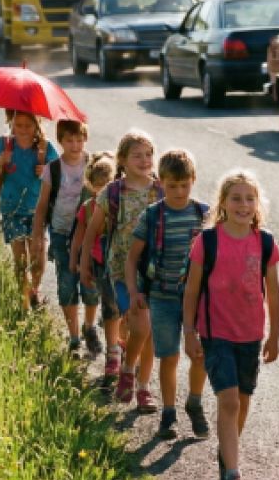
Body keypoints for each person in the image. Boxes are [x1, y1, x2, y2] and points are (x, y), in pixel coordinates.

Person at [183, 170, 279, 480]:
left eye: (249, 198)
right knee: (229, 400)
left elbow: (275, 293)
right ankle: (232, 477)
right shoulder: (207, 242)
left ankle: (227, 454)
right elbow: (192, 289)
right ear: (222, 203)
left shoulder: (264, 242)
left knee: (244, 399)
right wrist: (189, 332)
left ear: (257, 204)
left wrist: (276, 336)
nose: (243, 204)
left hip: (251, 335)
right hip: (216, 333)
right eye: (236, 198)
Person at [124, 149, 211, 441]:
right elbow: (132, 257)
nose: (178, 191)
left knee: (200, 354)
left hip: (197, 299)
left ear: (193, 181)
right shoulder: (152, 215)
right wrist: (135, 291)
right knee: (169, 356)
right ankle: (169, 412)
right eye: (172, 185)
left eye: (184, 185)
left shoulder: (203, 214)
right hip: (161, 297)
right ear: (161, 182)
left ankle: (195, 402)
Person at [80, 130, 163, 410]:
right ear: (123, 160)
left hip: (154, 273)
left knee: (147, 331)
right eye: (136, 155)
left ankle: (143, 388)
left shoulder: (160, 190)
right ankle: (128, 369)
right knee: (141, 326)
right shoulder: (112, 192)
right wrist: (84, 264)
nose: (144, 160)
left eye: (148, 154)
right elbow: (92, 230)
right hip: (120, 271)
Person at [31, 119, 99, 353]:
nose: (75, 145)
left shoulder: (94, 165)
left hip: (90, 234)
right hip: (61, 233)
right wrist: (38, 234)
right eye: (69, 140)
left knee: (90, 284)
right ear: (60, 141)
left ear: (85, 139)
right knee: (67, 284)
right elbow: (42, 205)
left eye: (79, 139)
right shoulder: (53, 169)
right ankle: (74, 337)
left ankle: (89, 326)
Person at [0, 111, 58, 309]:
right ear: (11, 124)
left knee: (38, 253)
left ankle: (35, 289)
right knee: (20, 257)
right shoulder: (3, 145)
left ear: (37, 125)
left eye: (28, 125)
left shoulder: (45, 148)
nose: (23, 130)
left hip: (38, 210)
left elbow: (58, 179)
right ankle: (24, 299)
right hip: (12, 208)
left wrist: (46, 171)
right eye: (19, 125)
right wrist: (1, 162)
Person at [70, 153, 120, 367]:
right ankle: (91, 328)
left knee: (115, 304)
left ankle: (117, 342)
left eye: (107, 186)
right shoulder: (88, 208)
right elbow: (79, 237)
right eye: (99, 187)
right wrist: (76, 260)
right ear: (90, 186)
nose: (103, 191)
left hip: (117, 262)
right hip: (97, 261)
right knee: (95, 299)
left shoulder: (121, 206)